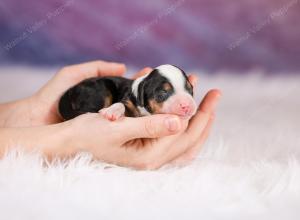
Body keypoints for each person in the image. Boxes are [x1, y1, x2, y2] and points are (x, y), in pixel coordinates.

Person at [0, 60, 221, 169]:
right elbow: (122, 106)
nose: (184, 103)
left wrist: (30, 113)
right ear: (144, 96)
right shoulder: (133, 98)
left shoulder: (145, 93)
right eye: (165, 94)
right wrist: (68, 140)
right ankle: (79, 117)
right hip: (90, 93)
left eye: (186, 89)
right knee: (103, 95)